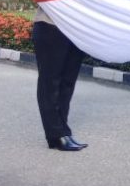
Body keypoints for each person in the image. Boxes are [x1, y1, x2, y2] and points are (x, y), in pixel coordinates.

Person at [32, 8, 89, 151]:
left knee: (68, 82)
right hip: (51, 26)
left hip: (76, 29)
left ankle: (62, 131)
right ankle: (56, 134)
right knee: (50, 82)